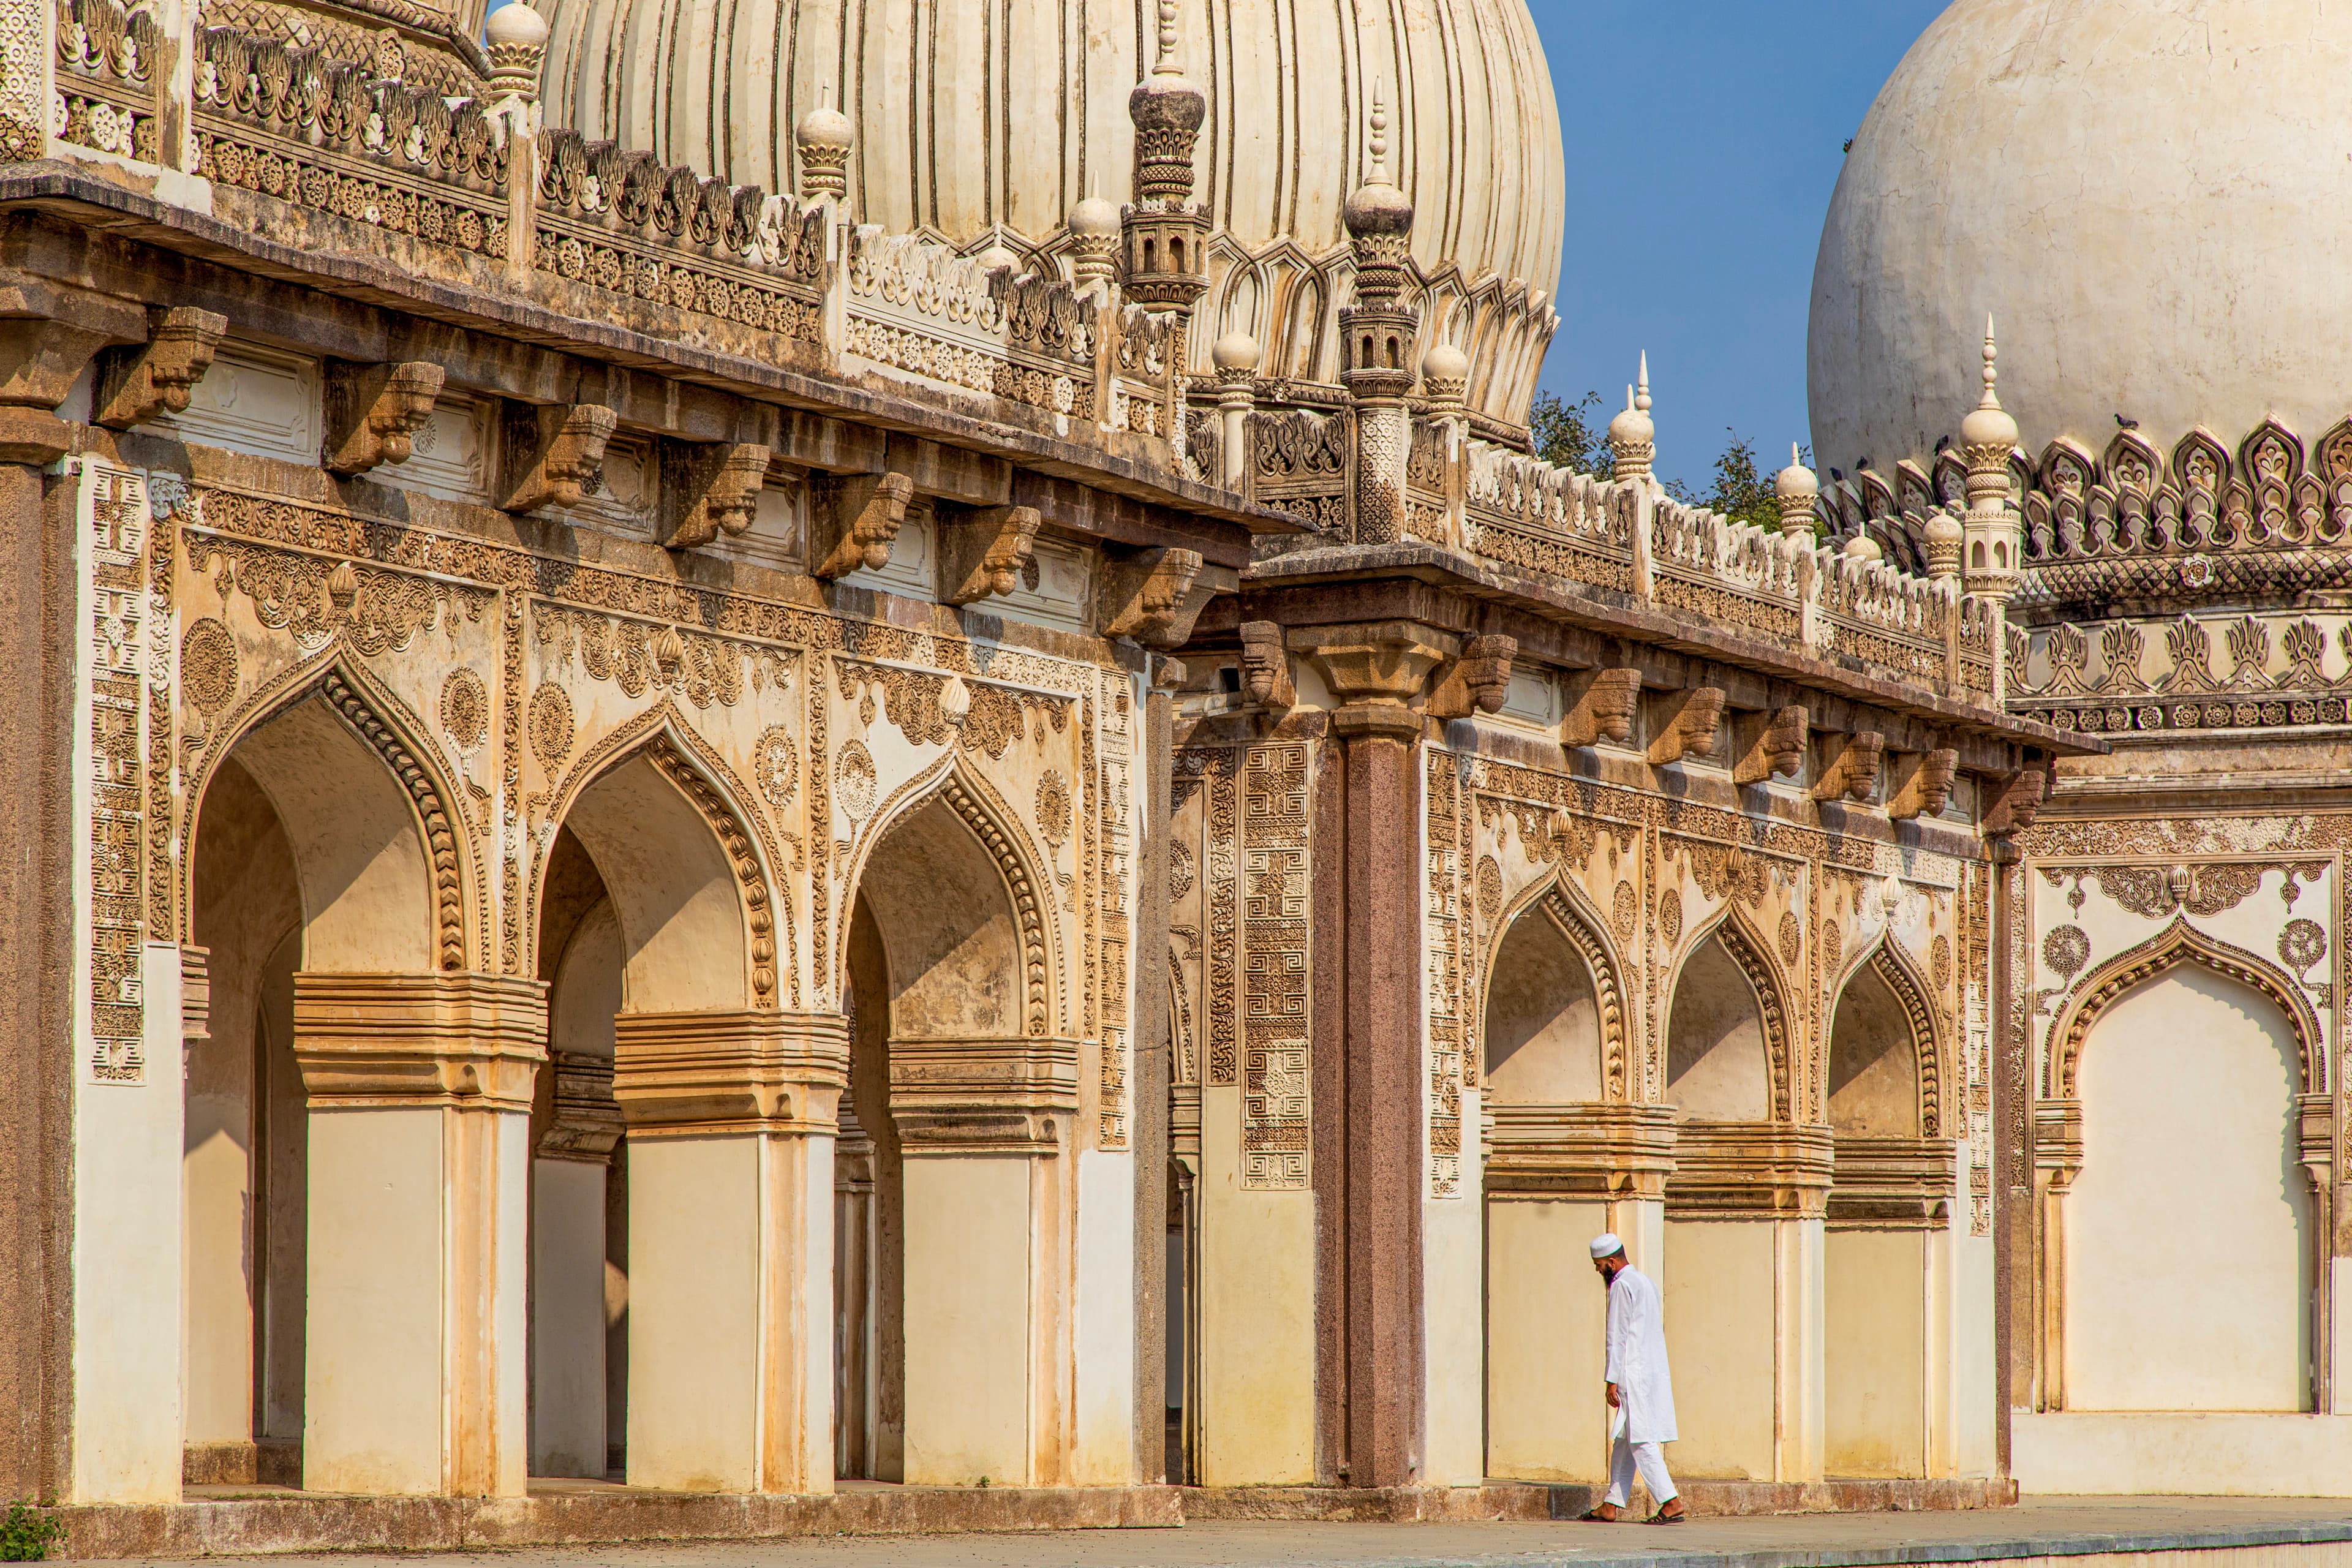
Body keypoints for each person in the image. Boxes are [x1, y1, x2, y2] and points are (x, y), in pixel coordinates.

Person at [1580, 1234, 1685, 1524]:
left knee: (1640, 1440)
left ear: (1612, 1262)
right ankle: (1612, 1503)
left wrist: (1611, 1380)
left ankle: (1670, 1501)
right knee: (1625, 1441)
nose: (1598, 1270)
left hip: (1632, 1373)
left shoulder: (1621, 1285)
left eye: (1600, 1265)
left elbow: (1617, 1336)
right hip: (1650, 1371)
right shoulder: (1645, 1282)